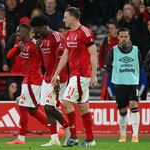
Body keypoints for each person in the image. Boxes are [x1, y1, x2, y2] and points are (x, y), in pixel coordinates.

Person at [51, 7, 97, 147]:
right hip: (75, 75)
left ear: (73, 18)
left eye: (65, 17)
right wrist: (56, 73)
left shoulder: (85, 33)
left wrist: (94, 76)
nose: (63, 20)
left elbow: (93, 54)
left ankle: (74, 137)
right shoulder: (69, 34)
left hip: (81, 75)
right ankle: (90, 139)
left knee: (66, 102)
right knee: (83, 106)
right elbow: (65, 55)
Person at [30, 14, 70, 146]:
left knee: (50, 107)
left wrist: (57, 78)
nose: (36, 33)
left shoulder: (57, 37)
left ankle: (68, 130)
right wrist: (38, 48)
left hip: (58, 77)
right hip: (47, 77)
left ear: (43, 26)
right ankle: (54, 139)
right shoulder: (42, 40)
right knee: (47, 108)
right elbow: (43, 62)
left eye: (37, 30)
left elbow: (61, 57)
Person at [6, 23, 47, 145]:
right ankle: (57, 130)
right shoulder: (22, 45)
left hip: (33, 80)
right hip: (28, 80)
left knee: (23, 107)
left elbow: (44, 61)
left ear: (26, 32)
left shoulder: (35, 45)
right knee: (32, 110)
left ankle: (21, 138)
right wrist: (17, 48)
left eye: (19, 32)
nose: (17, 34)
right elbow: (9, 56)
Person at [106, 28, 143, 142]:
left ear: (129, 37)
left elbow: (140, 65)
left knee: (134, 106)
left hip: (132, 84)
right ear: (118, 37)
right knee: (122, 111)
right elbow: (109, 67)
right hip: (119, 85)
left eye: (125, 36)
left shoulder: (136, 50)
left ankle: (135, 135)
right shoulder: (113, 51)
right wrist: (116, 78)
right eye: (121, 36)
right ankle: (123, 135)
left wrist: (134, 77)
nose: (123, 39)